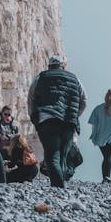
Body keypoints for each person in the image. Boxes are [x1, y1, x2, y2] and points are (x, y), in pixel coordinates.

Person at [27, 55, 87, 188]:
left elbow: (31, 100)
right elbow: (84, 101)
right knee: (63, 156)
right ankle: (60, 185)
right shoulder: (74, 79)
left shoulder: (40, 78)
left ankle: (58, 187)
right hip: (68, 123)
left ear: (49, 66)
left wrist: (35, 118)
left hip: (47, 121)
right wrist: (75, 115)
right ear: (63, 66)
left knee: (52, 156)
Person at [88, 89, 111, 183]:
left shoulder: (97, 108)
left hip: (100, 137)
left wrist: (94, 136)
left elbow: (92, 122)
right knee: (109, 157)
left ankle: (105, 178)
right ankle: (106, 178)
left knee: (105, 157)